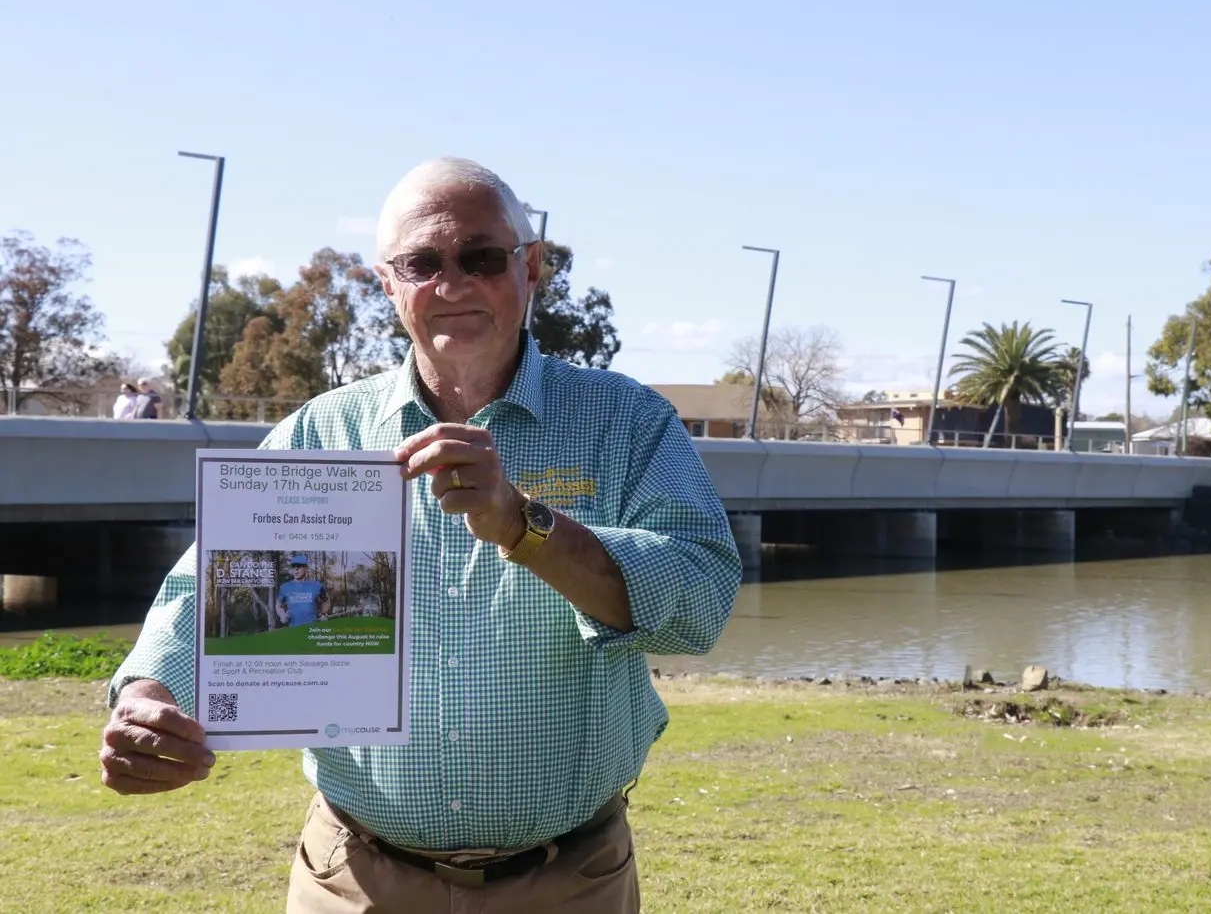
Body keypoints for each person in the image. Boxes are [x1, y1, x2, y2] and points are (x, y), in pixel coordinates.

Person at [99, 157, 741, 913]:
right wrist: (147, 697)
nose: (452, 283)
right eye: (422, 263)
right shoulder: (320, 432)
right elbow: (204, 595)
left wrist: (524, 526)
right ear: (388, 284)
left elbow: (698, 600)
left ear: (530, 267)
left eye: (480, 257)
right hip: (354, 878)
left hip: (567, 882)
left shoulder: (626, 422)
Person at [275, 555, 327, 627]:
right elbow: (278, 605)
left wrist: (323, 614)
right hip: (293, 630)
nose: (296, 569)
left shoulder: (317, 585)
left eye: (299, 566)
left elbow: (325, 600)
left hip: (312, 628)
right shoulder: (285, 587)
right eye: (293, 566)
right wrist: (282, 614)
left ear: (306, 568)